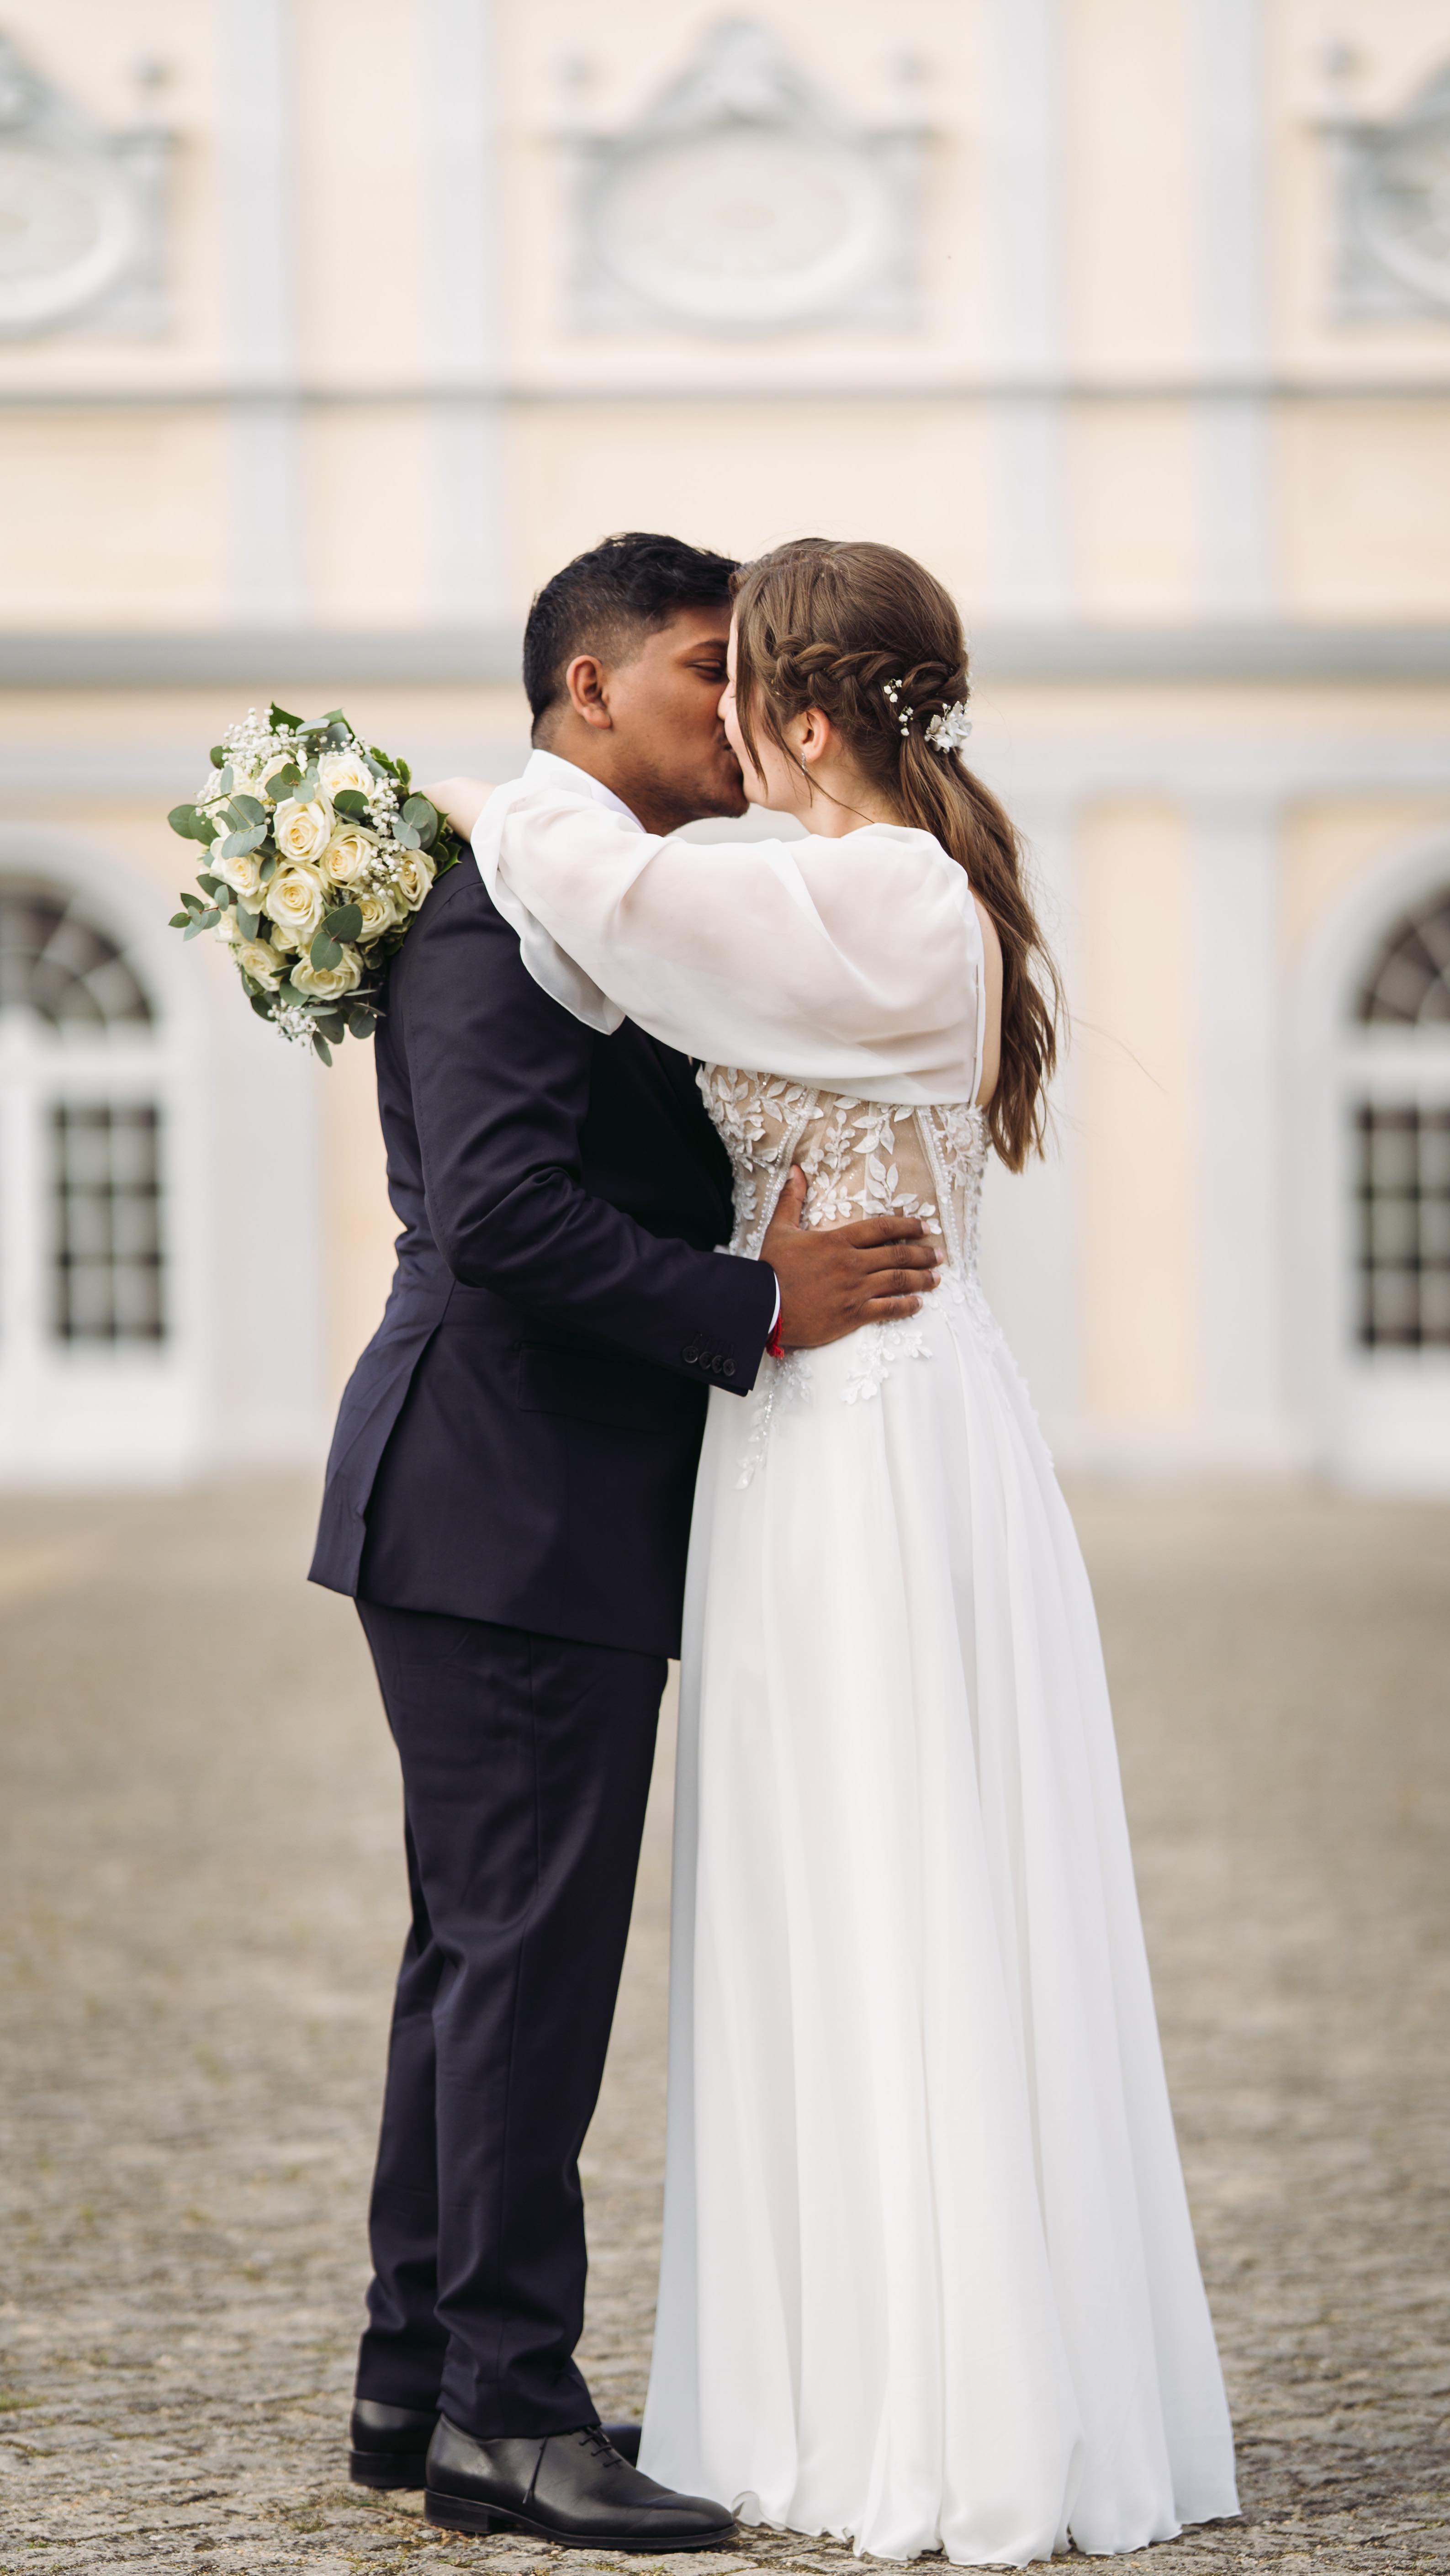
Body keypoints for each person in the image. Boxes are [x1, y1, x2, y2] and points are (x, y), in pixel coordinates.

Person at [432, 536, 1242, 2567]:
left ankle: (931, 2415)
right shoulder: (863, 892)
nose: (710, 733)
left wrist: (444, 794)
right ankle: (830, 2384)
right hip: (827, 1426)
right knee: (829, 1887)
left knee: (896, 1885)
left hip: (865, 1437)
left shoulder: (867, 896)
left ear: (799, 720)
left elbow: (600, 890)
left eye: (733, 700)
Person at [308, 532, 943, 2549]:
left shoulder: (617, 910)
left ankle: (418, 2381)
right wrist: (753, 1303)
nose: (731, 706)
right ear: (588, 692)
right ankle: (510, 2411)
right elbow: (497, 1213)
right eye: (698, 668)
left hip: (512, 1499)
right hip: (508, 1498)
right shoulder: (507, 906)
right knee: (524, 1967)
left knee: (472, 1960)